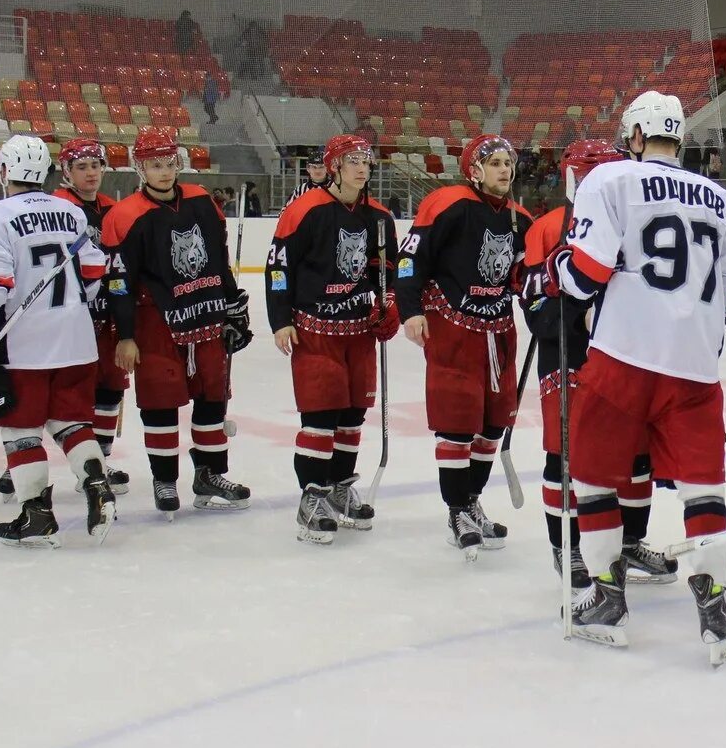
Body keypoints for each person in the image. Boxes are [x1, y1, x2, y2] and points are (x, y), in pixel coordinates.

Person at [547, 90, 726, 664]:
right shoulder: (722, 199)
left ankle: (606, 598)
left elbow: (584, 275)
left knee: (594, 479)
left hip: (622, 355)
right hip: (694, 365)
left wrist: (558, 267)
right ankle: (715, 610)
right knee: (703, 489)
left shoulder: (609, 180)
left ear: (634, 136)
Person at [520, 140, 674, 589]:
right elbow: (535, 306)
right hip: (569, 356)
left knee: (637, 456)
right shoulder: (549, 228)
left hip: (631, 356)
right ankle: (566, 548)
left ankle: (627, 542)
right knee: (566, 454)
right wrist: (578, 313)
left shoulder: (642, 224)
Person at [0, 136, 118, 547]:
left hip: (23, 344)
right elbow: (95, 275)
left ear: (4, 171)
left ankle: (36, 513)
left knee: (19, 426)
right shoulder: (71, 211)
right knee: (72, 422)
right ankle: (96, 484)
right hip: (78, 340)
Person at [102, 127, 252, 514]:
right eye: (155, 165)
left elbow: (218, 260)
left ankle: (209, 473)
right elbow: (119, 284)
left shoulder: (203, 202)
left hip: (206, 316)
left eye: (170, 163)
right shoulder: (126, 215)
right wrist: (126, 335)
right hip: (156, 321)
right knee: (159, 403)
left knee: (212, 399)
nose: (165, 172)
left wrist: (233, 306)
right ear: (141, 168)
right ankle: (165, 481)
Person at [396, 134, 529, 560]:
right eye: (495, 164)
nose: (504, 171)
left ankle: (471, 500)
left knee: (493, 425)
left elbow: (528, 274)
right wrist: (410, 309)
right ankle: (457, 511)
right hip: (452, 329)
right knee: (457, 422)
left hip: (498, 330)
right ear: (474, 170)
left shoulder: (518, 218)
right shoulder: (447, 204)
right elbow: (410, 258)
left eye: (508, 163)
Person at [265, 135, 398, 545]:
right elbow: (278, 267)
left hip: (358, 332)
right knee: (320, 417)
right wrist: (279, 320)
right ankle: (313, 495)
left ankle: (340, 485)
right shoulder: (303, 211)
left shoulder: (379, 216)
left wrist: (388, 303)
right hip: (314, 329)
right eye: (352, 160)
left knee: (353, 415)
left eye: (366, 160)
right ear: (334, 165)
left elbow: (387, 269)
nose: (362, 167)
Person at [39, 139, 131, 496]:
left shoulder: (112, 208)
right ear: (66, 172)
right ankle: (21, 460)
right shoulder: (57, 206)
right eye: (82, 167)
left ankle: (99, 462)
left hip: (107, 315)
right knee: (55, 392)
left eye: (96, 166)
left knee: (109, 389)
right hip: (68, 317)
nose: (91, 173)